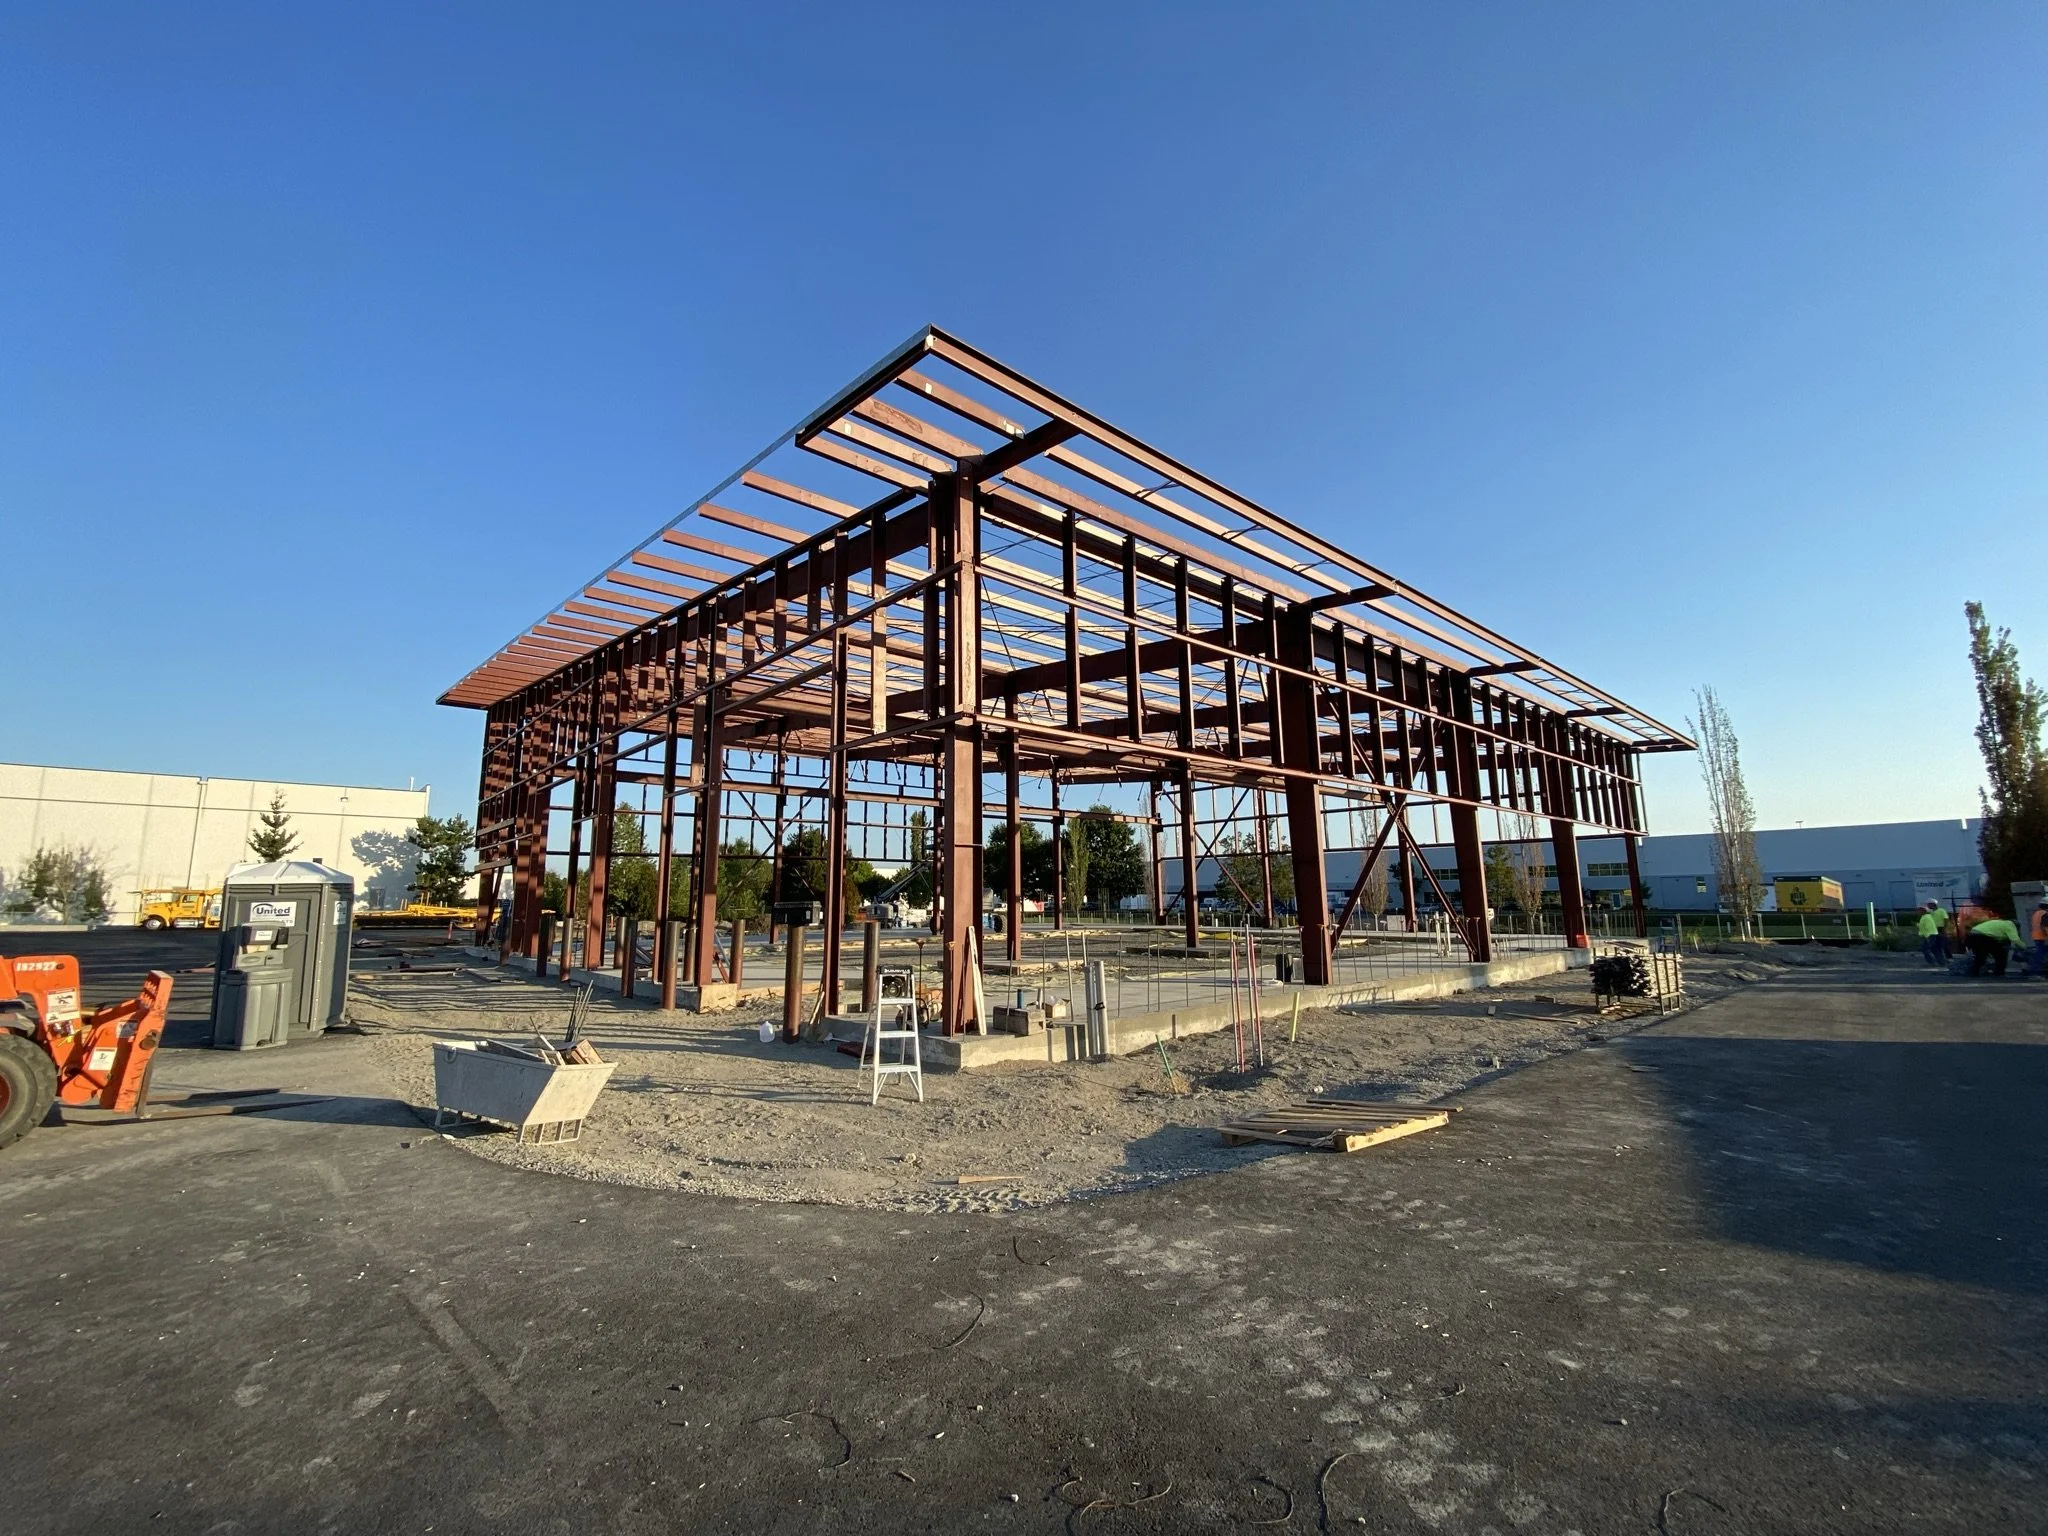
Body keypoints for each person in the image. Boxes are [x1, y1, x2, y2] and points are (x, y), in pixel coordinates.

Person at [1916, 902, 1949, 967]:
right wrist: (1918, 925)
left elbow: (1929, 927)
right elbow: (1924, 926)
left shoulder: (1926, 917)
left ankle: (1932, 962)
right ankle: (1941, 962)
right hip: (1931, 935)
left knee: (1925, 949)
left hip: (1930, 935)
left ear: (1924, 910)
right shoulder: (1926, 917)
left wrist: (1927, 936)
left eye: (1920, 910)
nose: (1918, 911)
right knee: (1934, 949)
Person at [2031, 901, 2048, 978]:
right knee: (2040, 955)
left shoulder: (2036, 913)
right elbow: (2045, 926)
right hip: (2044, 937)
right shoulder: (2045, 914)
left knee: (2039, 955)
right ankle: (2036, 972)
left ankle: (2036, 971)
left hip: (2037, 936)